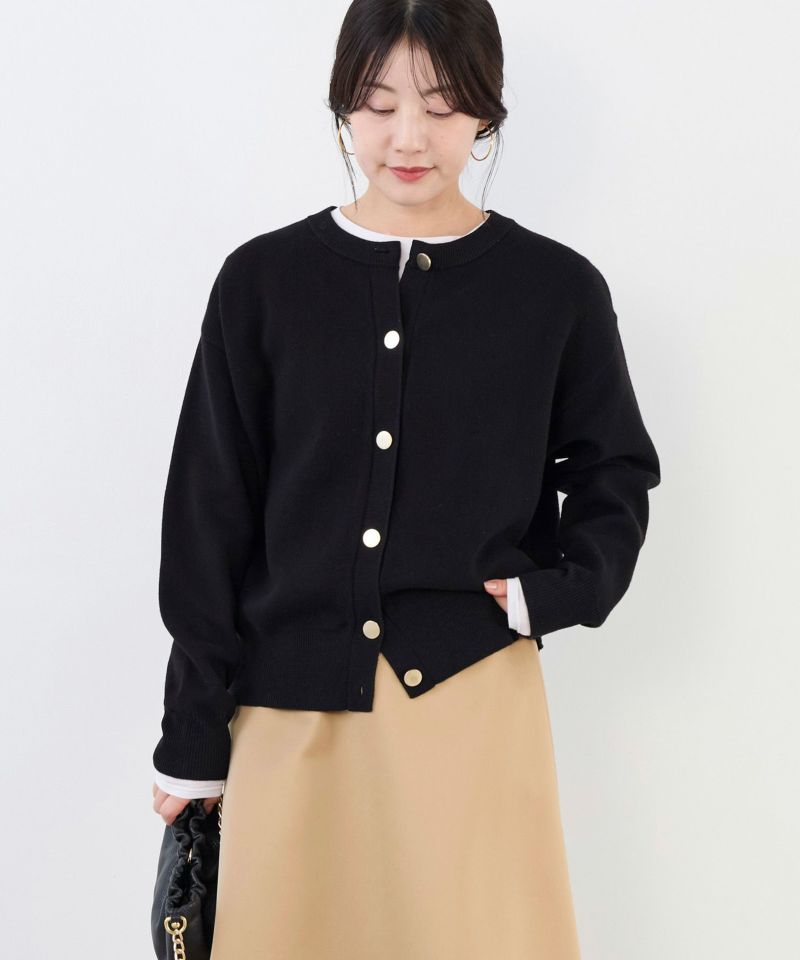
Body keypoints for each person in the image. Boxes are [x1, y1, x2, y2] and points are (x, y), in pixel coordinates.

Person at [151, 1, 661, 956]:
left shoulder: (556, 291)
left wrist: (556, 593)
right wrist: (192, 737)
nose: (409, 137)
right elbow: (209, 517)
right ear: (343, 106)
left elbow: (615, 471)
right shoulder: (262, 283)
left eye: (442, 104)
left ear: (487, 110)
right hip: (288, 707)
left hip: (470, 700)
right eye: (379, 105)